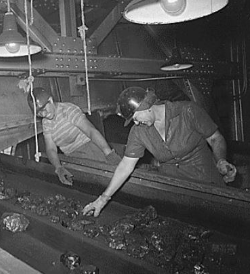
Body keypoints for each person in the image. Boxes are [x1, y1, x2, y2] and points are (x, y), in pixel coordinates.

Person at [83, 87, 237, 217]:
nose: (136, 123)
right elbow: (125, 166)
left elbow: (215, 138)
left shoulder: (187, 111)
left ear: (146, 106)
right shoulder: (138, 131)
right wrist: (103, 199)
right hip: (173, 186)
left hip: (205, 177)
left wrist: (221, 160)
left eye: (136, 118)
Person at [28, 87, 122, 185]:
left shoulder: (67, 110)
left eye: (44, 109)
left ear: (50, 100)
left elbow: (91, 131)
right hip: (72, 156)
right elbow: (51, 148)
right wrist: (58, 168)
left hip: (90, 149)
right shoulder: (46, 122)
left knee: (110, 179)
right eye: (39, 113)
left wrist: (108, 153)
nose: (44, 114)